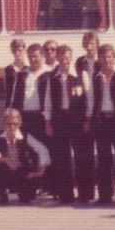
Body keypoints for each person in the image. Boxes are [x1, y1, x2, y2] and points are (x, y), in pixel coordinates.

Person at [41, 44, 93, 203]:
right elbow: (48, 101)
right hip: (59, 120)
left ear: (71, 59)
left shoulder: (81, 75)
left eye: (67, 59)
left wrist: (88, 119)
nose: (64, 61)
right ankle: (66, 195)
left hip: (78, 120)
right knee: (61, 158)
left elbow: (90, 99)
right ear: (57, 58)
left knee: (82, 157)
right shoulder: (52, 77)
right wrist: (48, 122)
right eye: (61, 58)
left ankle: (85, 194)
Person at [0, 109, 50, 205]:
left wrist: (40, 171)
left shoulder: (25, 136)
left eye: (15, 124)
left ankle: (25, 194)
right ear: (4, 124)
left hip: (21, 171)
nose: (12, 127)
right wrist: (6, 160)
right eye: (9, 124)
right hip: (5, 170)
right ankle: (2, 195)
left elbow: (43, 150)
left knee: (25, 198)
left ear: (19, 124)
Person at [91, 44, 115, 204]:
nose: (106, 60)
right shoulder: (95, 78)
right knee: (104, 159)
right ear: (99, 59)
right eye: (103, 57)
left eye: (109, 57)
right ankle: (105, 195)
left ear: (114, 57)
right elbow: (91, 100)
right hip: (102, 121)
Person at [8, 43, 50, 149]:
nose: (33, 59)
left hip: (42, 118)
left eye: (35, 56)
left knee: (44, 148)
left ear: (42, 56)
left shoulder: (49, 74)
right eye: (30, 56)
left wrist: (49, 120)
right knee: (25, 148)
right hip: (24, 118)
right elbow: (14, 98)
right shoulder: (21, 75)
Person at [4, 39, 28, 107]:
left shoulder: (29, 67)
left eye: (20, 50)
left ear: (24, 50)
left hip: (28, 104)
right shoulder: (9, 69)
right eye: (15, 51)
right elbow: (8, 91)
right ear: (12, 51)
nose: (17, 53)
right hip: (14, 104)